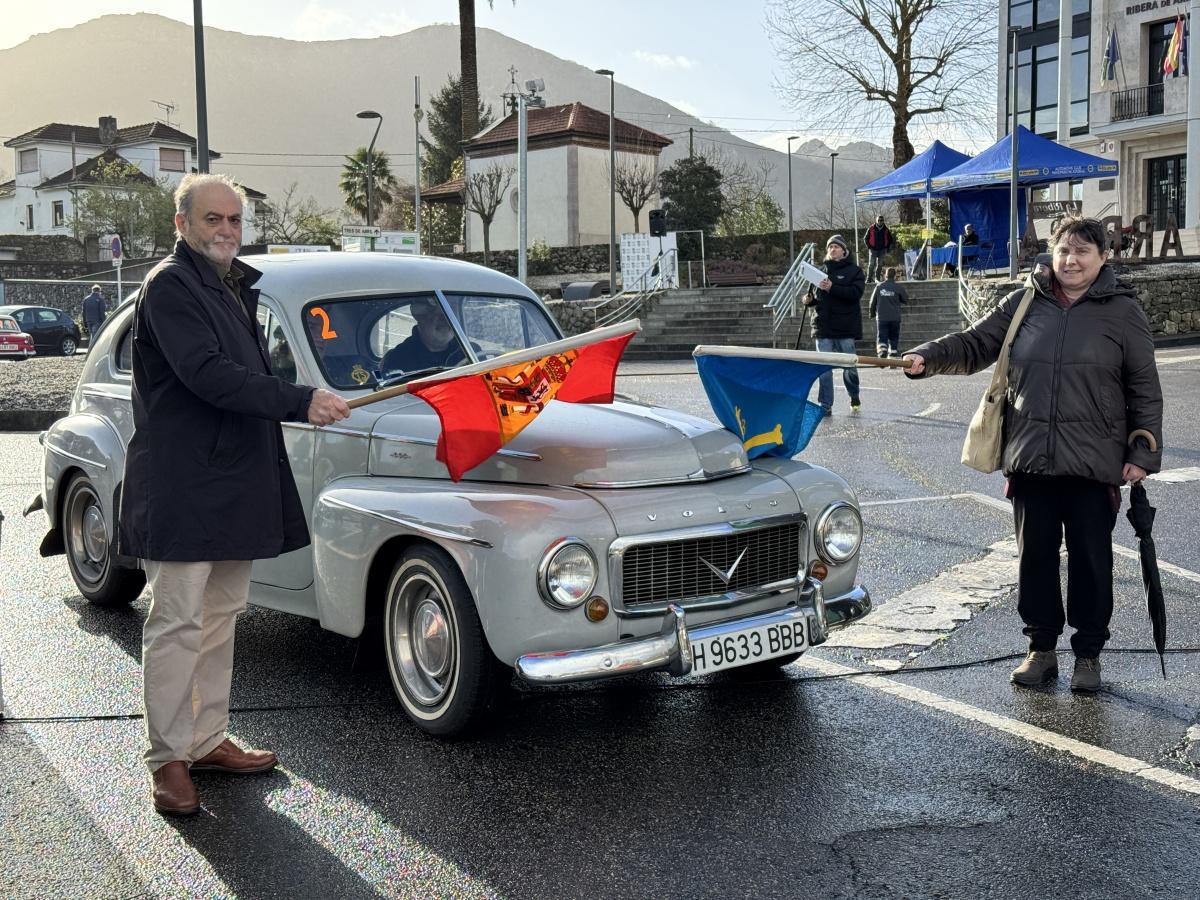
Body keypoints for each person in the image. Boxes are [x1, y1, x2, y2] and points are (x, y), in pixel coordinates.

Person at [119, 173, 351, 816]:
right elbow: (209, 376)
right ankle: (167, 759)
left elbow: (245, 377)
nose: (226, 230)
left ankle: (206, 738)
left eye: (234, 221)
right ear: (182, 224)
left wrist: (299, 395)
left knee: (220, 620)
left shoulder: (232, 286)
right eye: (213, 219)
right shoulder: (169, 286)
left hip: (231, 479)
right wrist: (302, 400)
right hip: (182, 485)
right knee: (176, 624)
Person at [903, 217, 1163, 694]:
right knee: (1035, 559)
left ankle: (1088, 655)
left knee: (1091, 561)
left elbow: (1144, 387)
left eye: (1084, 251)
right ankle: (1041, 650)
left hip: (1092, 462)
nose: (1071, 260)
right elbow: (975, 342)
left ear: (1103, 257)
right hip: (1031, 459)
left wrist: (1142, 451)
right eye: (1064, 250)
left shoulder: (1123, 311)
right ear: (1052, 252)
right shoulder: (1025, 301)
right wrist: (927, 357)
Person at [803, 234, 865, 413]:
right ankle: (825, 404)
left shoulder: (855, 271)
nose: (832, 249)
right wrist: (809, 300)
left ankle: (854, 395)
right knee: (824, 368)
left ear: (844, 251)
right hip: (822, 327)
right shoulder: (820, 271)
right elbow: (817, 298)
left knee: (849, 367)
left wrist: (832, 288)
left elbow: (855, 294)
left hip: (845, 327)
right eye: (830, 247)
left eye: (836, 247)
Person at [380, 297, 467, 375]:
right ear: (420, 319)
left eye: (450, 315)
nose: (446, 320)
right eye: (439, 316)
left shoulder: (470, 351)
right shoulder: (396, 359)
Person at [868, 267, 907, 359]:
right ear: (895, 276)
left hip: (882, 317)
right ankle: (892, 354)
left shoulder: (879, 287)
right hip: (895, 317)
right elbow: (906, 300)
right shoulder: (899, 287)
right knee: (894, 337)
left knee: (882, 336)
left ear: (885, 275)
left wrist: (872, 313)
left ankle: (882, 351)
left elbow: (872, 302)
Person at [864, 215, 894, 282]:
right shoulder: (871, 228)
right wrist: (869, 247)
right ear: (876, 221)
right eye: (879, 220)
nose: (880, 222)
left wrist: (887, 248)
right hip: (873, 249)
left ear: (883, 221)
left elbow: (890, 239)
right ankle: (868, 279)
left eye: (881, 220)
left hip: (882, 250)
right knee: (871, 264)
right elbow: (865, 238)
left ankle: (877, 278)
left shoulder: (886, 229)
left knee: (880, 265)